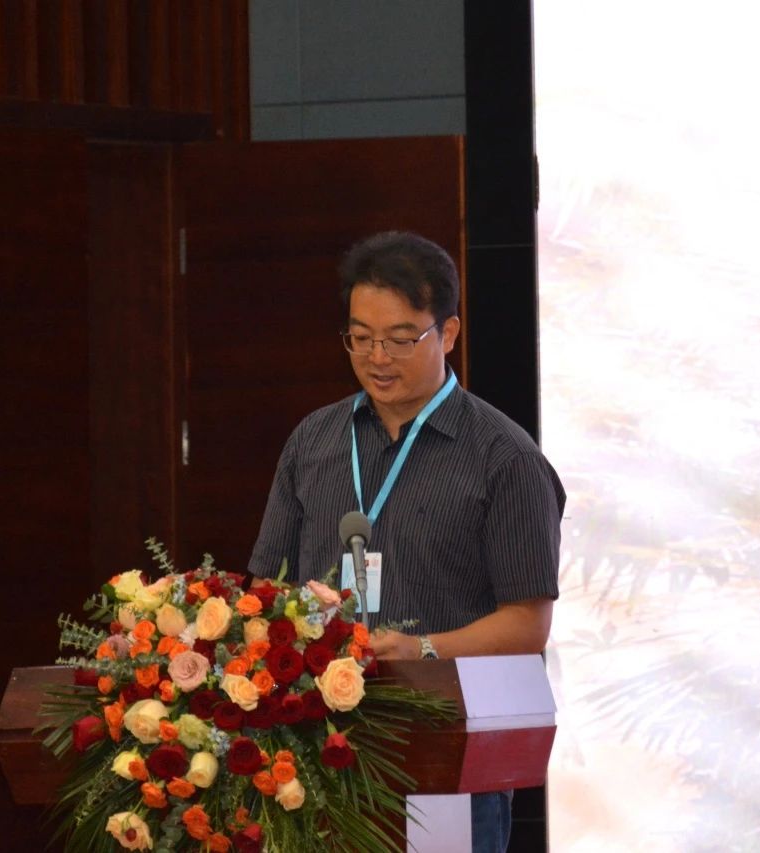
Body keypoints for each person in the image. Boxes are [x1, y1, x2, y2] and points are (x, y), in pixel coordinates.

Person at [248, 230, 565, 852]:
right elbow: (265, 588)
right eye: (360, 337)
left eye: (399, 339)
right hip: (311, 752)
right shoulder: (313, 442)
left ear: (448, 333)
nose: (377, 358)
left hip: (447, 754)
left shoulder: (504, 459)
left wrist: (420, 649)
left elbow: (527, 625)